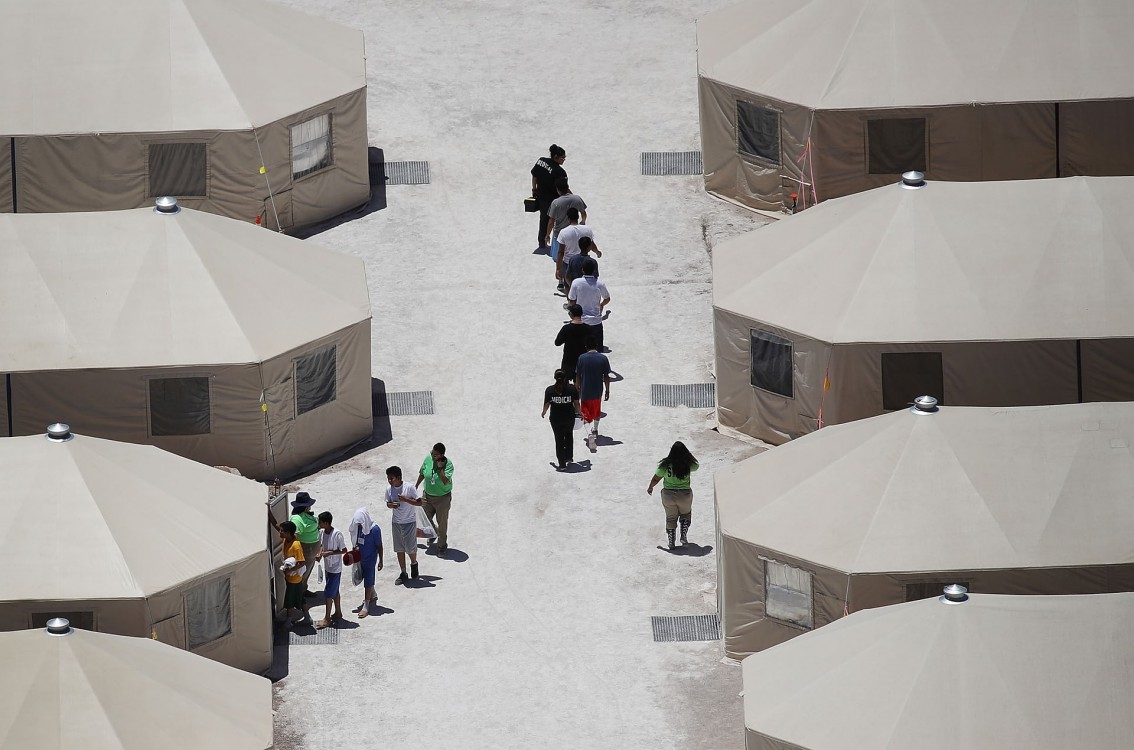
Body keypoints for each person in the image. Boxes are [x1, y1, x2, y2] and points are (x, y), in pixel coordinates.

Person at [646, 442, 700, 549]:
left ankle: (671, 541)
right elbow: (697, 465)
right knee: (686, 514)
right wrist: (688, 454)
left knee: (670, 518)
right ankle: (683, 535)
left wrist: (650, 487)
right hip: (684, 495)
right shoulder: (687, 464)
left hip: (668, 495)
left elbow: (656, 478)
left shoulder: (665, 465)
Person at [385, 465, 423, 585]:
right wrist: (392, 505)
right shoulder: (389, 489)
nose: (390, 481)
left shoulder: (409, 488)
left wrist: (405, 500)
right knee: (399, 548)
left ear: (399, 477)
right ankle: (403, 572)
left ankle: (414, 563)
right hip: (396, 522)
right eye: (388, 478)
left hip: (409, 522)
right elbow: (388, 503)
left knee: (410, 547)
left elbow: (419, 502)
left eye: (392, 478)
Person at [416, 443, 454, 555]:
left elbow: (445, 480)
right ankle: (435, 532)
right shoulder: (428, 458)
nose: (432, 456)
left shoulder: (448, 465)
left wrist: (441, 468)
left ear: (442, 455)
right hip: (427, 496)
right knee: (424, 518)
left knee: (442, 522)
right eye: (432, 453)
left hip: (442, 498)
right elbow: (422, 472)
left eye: (436, 455)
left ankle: (442, 545)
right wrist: (416, 485)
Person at [541, 369, 583, 470]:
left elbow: (546, 404)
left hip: (556, 419)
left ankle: (562, 463)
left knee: (559, 439)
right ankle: (569, 457)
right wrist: (581, 413)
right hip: (569, 418)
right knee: (569, 435)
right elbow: (576, 404)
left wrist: (544, 412)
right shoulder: (572, 389)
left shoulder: (550, 390)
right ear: (565, 378)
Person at [575, 337, 611, 448]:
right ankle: (595, 429)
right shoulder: (603, 358)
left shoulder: (582, 358)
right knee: (596, 411)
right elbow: (606, 376)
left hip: (585, 391)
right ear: (596, 346)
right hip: (597, 391)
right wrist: (607, 390)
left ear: (586, 347)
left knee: (585, 414)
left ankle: (589, 433)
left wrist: (577, 388)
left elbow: (578, 375)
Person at [567, 257, 610, 351]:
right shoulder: (600, 284)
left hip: (581, 322)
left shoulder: (576, 283)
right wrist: (601, 304)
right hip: (596, 322)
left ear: (582, 269)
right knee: (597, 350)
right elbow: (607, 298)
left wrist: (572, 311)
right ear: (594, 269)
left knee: (581, 350)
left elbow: (571, 301)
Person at [531, 144, 567, 251]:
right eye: (562, 158)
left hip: (542, 198)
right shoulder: (560, 172)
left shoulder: (541, 161)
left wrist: (534, 189)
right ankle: (558, 244)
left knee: (543, 220)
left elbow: (534, 175)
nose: (564, 160)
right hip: (554, 200)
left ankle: (542, 242)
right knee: (557, 222)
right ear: (556, 156)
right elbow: (562, 188)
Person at [350, 507, 383, 618]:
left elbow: (379, 546)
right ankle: (373, 595)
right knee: (363, 577)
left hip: (370, 558)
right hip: (360, 558)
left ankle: (366, 605)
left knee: (368, 580)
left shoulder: (375, 530)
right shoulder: (358, 528)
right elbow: (355, 540)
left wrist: (380, 561)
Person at [315, 511, 347, 628]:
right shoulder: (322, 533)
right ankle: (338, 612)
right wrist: (320, 554)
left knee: (328, 593)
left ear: (326, 523)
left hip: (335, 568)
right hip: (328, 567)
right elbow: (322, 546)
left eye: (320, 522)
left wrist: (330, 553)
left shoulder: (337, 534)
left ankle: (327, 618)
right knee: (335, 591)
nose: (319, 524)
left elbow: (344, 550)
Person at [278, 521, 311, 627]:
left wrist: (289, 570)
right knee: (300, 598)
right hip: (290, 578)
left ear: (288, 533)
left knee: (290, 600)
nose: (280, 532)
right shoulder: (286, 540)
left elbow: (302, 562)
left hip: (294, 579)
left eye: (282, 531)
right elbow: (276, 526)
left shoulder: (296, 545)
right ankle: (307, 618)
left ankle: (289, 622)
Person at [555, 208, 596, 292]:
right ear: (578, 217)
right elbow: (591, 244)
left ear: (568, 218)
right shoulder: (587, 229)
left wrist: (558, 268)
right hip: (585, 261)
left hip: (569, 262)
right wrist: (597, 252)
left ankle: (570, 302)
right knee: (585, 284)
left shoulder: (563, 232)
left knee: (568, 285)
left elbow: (561, 252)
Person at [289, 492, 321, 596]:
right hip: (306, 549)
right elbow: (295, 536)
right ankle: (299, 593)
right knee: (302, 572)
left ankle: (303, 589)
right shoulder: (297, 519)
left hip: (311, 551)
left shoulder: (306, 514)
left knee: (307, 570)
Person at [547, 178, 587, 261]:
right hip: (574, 234)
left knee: (558, 258)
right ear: (568, 187)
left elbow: (551, 222)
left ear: (557, 189)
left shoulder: (555, 203)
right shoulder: (577, 198)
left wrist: (547, 235)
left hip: (559, 235)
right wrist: (582, 222)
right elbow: (584, 214)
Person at [554, 303, 590, 384]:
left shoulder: (566, 328)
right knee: (580, 384)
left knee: (565, 384)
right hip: (582, 361)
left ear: (571, 314)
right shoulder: (588, 329)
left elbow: (557, 343)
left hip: (568, 361)